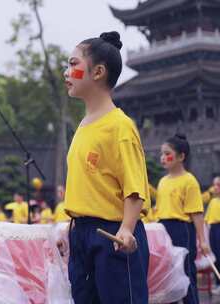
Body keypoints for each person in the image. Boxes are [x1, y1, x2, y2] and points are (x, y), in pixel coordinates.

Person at [61, 31, 150, 303]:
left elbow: (135, 187)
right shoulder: (84, 125)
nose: (66, 72)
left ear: (98, 72)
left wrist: (126, 228)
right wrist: (72, 229)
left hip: (113, 235)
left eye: (73, 64)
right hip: (82, 236)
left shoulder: (119, 126)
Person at [154, 134, 209, 304]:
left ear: (181, 156)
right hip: (163, 228)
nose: (163, 158)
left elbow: (197, 213)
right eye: (162, 154)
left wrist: (203, 240)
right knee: (168, 274)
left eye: (167, 153)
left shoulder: (189, 181)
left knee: (185, 271)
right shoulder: (162, 181)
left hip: (182, 229)